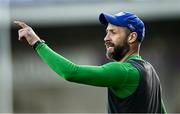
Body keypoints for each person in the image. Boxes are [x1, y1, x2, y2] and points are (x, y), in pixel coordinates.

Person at [14, 11, 166, 113]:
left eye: (113, 32)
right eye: (106, 32)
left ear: (132, 37)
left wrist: (37, 43)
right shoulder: (151, 73)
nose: (106, 38)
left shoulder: (123, 71)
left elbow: (71, 72)